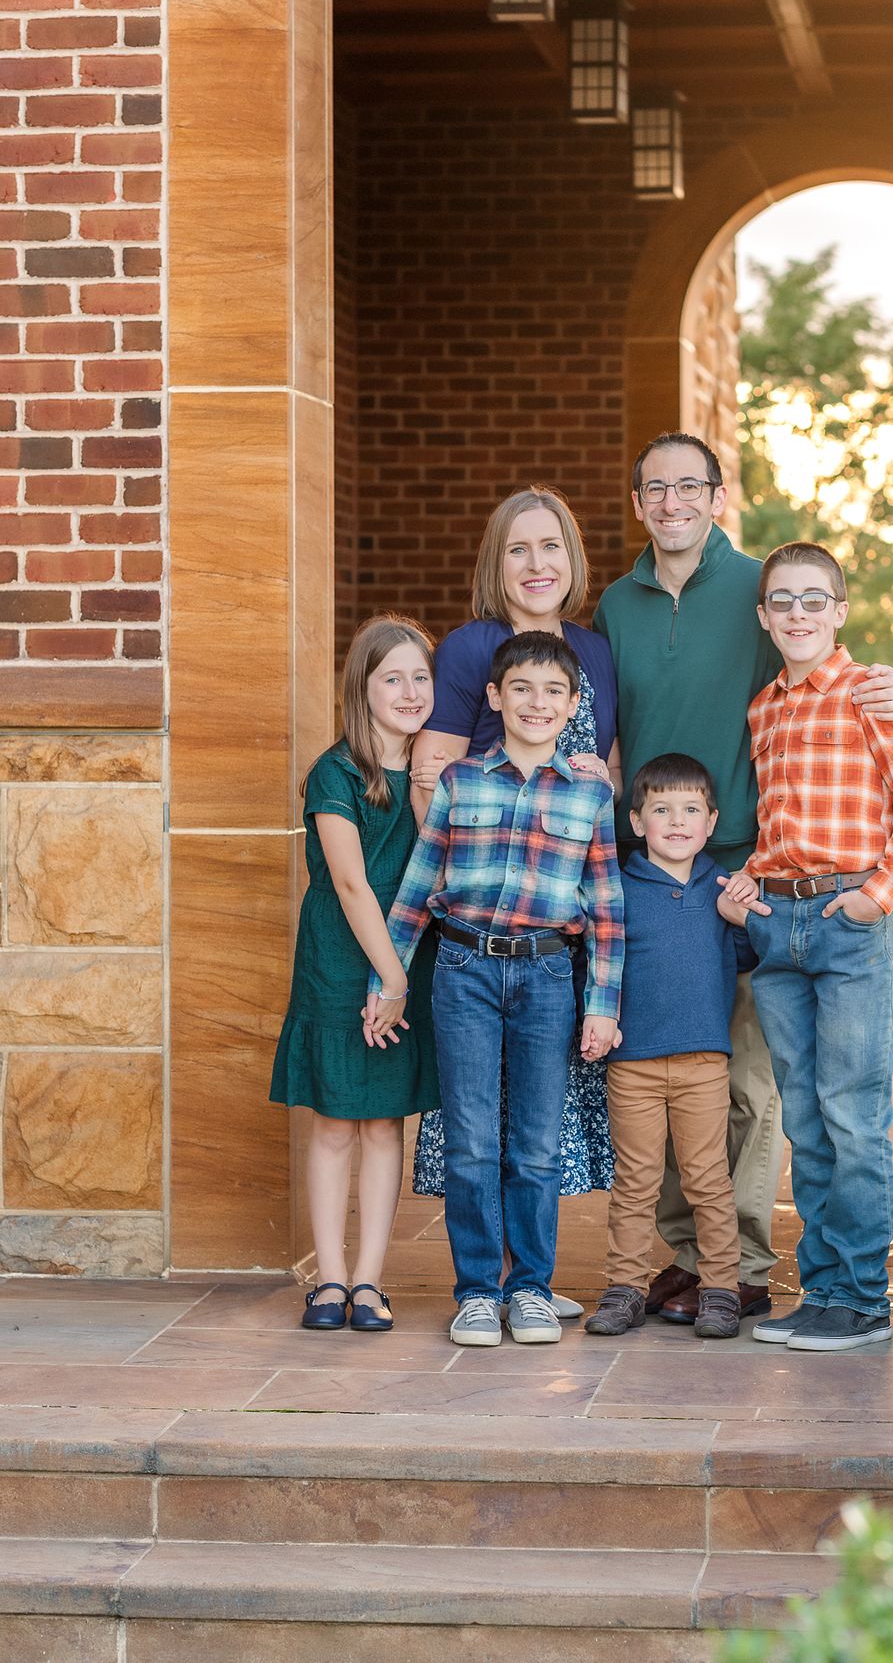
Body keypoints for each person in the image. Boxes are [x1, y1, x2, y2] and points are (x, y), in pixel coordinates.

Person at [593, 432, 893, 1325]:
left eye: (688, 486)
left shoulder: (754, 588)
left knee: (746, 1084)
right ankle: (687, 1257)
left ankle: (742, 1265)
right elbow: (609, 718)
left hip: (747, 871)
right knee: (659, 1060)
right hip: (655, 864)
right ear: (638, 504)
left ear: (717, 495)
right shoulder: (616, 605)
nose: (671, 503)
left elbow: (830, 663)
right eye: (653, 489)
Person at [365, 631, 624, 1349]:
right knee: (473, 1142)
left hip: (546, 976)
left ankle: (532, 1288)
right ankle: (478, 1291)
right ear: (494, 697)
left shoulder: (591, 796)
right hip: (464, 971)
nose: (536, 703)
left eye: (553, 692)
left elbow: (605, 907)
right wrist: (386, 979)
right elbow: (418, 888)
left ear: (573, 705)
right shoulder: (460, 782)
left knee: (537, 1143)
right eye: (521, 689)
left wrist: (603, 1004)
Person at [721, 542, 893, 1352]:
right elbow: (781, 825)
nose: (799, 615)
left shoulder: (868, 692)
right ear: (764, 615)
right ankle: (823, 1295)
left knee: (854, 1117)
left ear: (840, 612)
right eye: (783, 601)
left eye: (815, 601)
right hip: (780, 928)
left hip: (850, 927)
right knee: (807, 1121)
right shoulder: (765, 709)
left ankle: (864, 1301)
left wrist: (872, 900)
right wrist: (747, 884)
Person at [408, 490, 619, 1317]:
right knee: (475, 1118)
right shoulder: (470, 649)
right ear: (495, 564)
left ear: (573, 560)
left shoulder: (596, 655)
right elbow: (434, 778)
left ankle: (526, 1282)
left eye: (552, 548)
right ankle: (484, 1285)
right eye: (518, 550)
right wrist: (474, 885)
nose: (537, 566)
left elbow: (602, 767)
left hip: (555, 936)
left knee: (539, 1121)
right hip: (477, 921)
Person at [270, 615, 441, 1333]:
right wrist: (390, 980)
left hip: (407, 958)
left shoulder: (435, 773)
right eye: (392, 677)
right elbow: (349, 883)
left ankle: (371, 1279)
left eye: (420, 677)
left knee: (382, 1125)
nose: (409, 690)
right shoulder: (336, 772)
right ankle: (330, 1280)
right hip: (343, 962)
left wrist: (402, 980)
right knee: (337, 1120)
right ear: (361, 688)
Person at [585, 754, 753, 1342]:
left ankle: (722, 1290)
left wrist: (740, 920)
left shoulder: (726, 887)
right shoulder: (618, 887)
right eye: (661, 809)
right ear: (636, 820)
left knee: (709, 1178)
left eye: (690, 811)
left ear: (711, 822)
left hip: (705, 1060)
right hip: (633, 1063)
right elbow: (596, 960)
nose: (676, 822)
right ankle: (624, 1289)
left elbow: (752, 956)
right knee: (636, 1180)